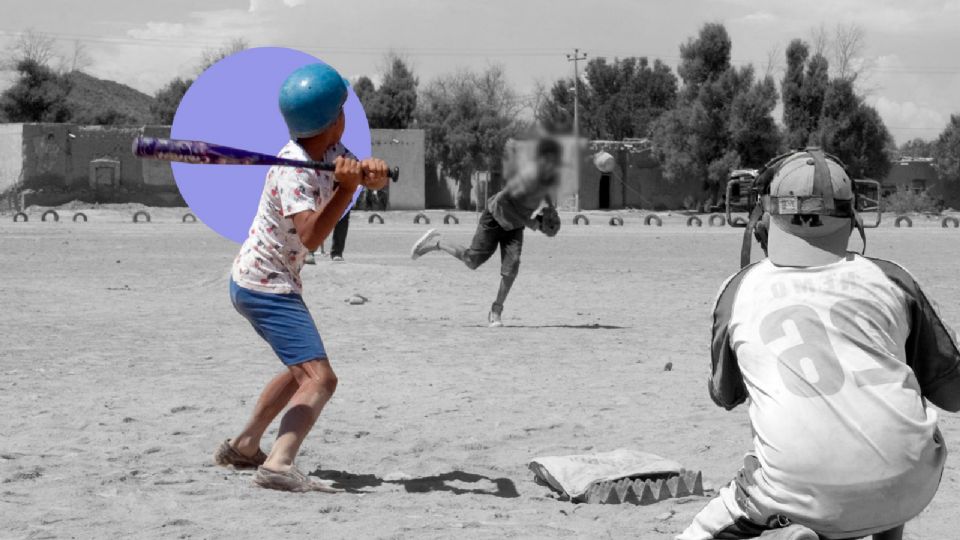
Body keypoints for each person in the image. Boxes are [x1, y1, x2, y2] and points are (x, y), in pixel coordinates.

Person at [677, 148, 960, 540]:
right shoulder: (892, 279)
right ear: (853, 216)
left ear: (767, 217)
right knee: (893, 401)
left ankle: (792, 529)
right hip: (912, 485)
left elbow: (726, 396)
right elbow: (953, 394)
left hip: (798, 489)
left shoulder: (739, 288)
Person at [213, 63, 389, 491]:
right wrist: (348, 191)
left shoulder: (327, 149)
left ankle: (243, 445)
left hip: (265, 280)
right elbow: (311, 236)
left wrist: (370, 177)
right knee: (320, 379)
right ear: (333, 119)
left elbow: (348, 171)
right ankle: (278, 463)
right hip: (265, 286)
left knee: (299, 369)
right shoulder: (292, 167)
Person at [409, 137, 562, 327]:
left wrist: (550, 209)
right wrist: (529, 221)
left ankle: (496, 310)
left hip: (514, 228)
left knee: (511, 269)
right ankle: (438, 241)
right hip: (495, 217)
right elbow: (503, 200)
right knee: (472, 261)